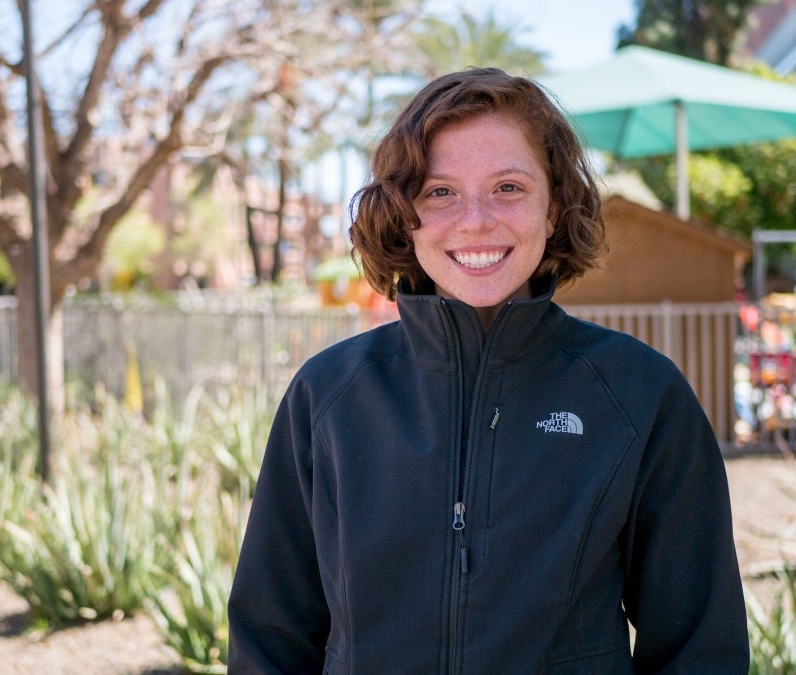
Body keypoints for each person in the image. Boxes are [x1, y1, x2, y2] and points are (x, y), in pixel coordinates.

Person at [227, 68, 749, 673]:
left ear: (553, 207)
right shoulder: (328, 397)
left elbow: (699, 649)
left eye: (508, 187)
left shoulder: (640, 396)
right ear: (404, 214)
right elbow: (271, 638)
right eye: (440, 191)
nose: (475, 220)